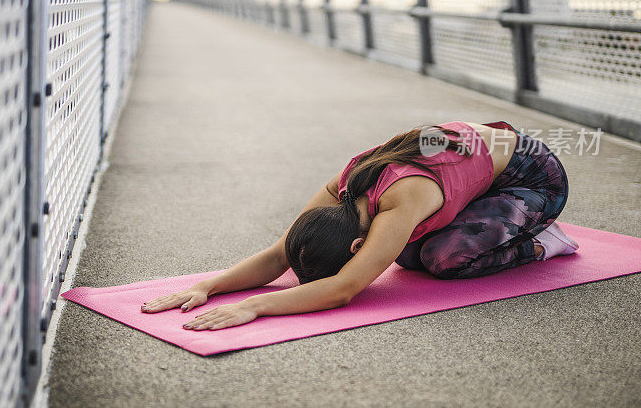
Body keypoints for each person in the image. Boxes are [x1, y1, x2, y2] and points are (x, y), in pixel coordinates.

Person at [141, 121, 577, 331]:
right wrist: (210, 288)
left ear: (355, 245)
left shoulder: (402, 200)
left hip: (532, 174)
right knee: (405, 255)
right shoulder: (342, 189)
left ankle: (543, 242)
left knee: (441, 259)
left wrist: (255, 307)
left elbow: (344, 289)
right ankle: (486, 212)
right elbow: (280, 254)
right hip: (469, 162)